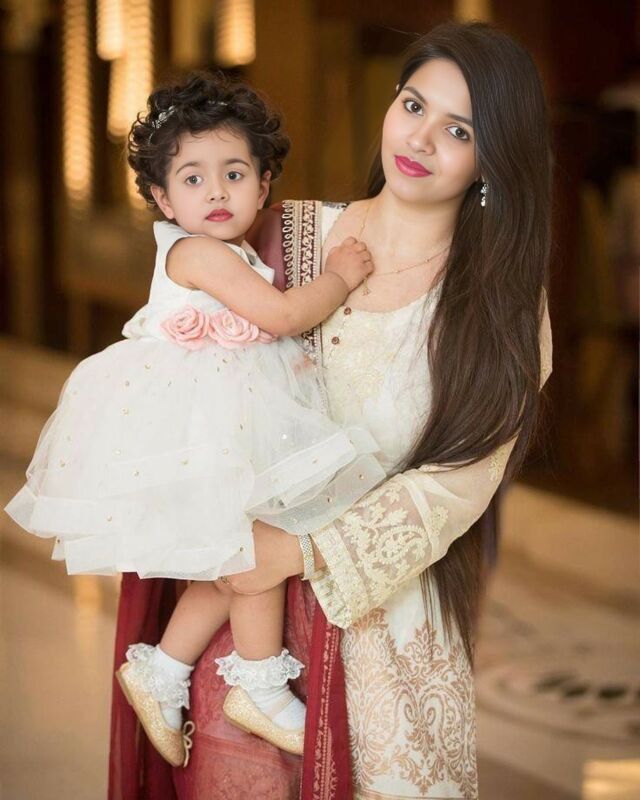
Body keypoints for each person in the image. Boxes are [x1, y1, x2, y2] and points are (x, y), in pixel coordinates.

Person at [109, 21, 554, 800]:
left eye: (459, 130)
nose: (421, 139)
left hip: (392, 632)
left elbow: (461, 481)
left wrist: (301, 550)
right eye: (413, 106)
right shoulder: (276, 238)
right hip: (242, 630)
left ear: (495, 160)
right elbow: (175, 388)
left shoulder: (502, 305)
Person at [5, 73, 387, 766]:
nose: (216, 192)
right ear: (162, 198)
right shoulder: (197, 251)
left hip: (226, 416)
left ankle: (162, 669)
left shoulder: (230, 250)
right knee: (253, 550)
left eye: (234, 174)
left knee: (230, 558)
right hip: (203, 422)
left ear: (263, 185)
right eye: (192, 178)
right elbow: (282, 315)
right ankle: (259, 681)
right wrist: (341, 275)